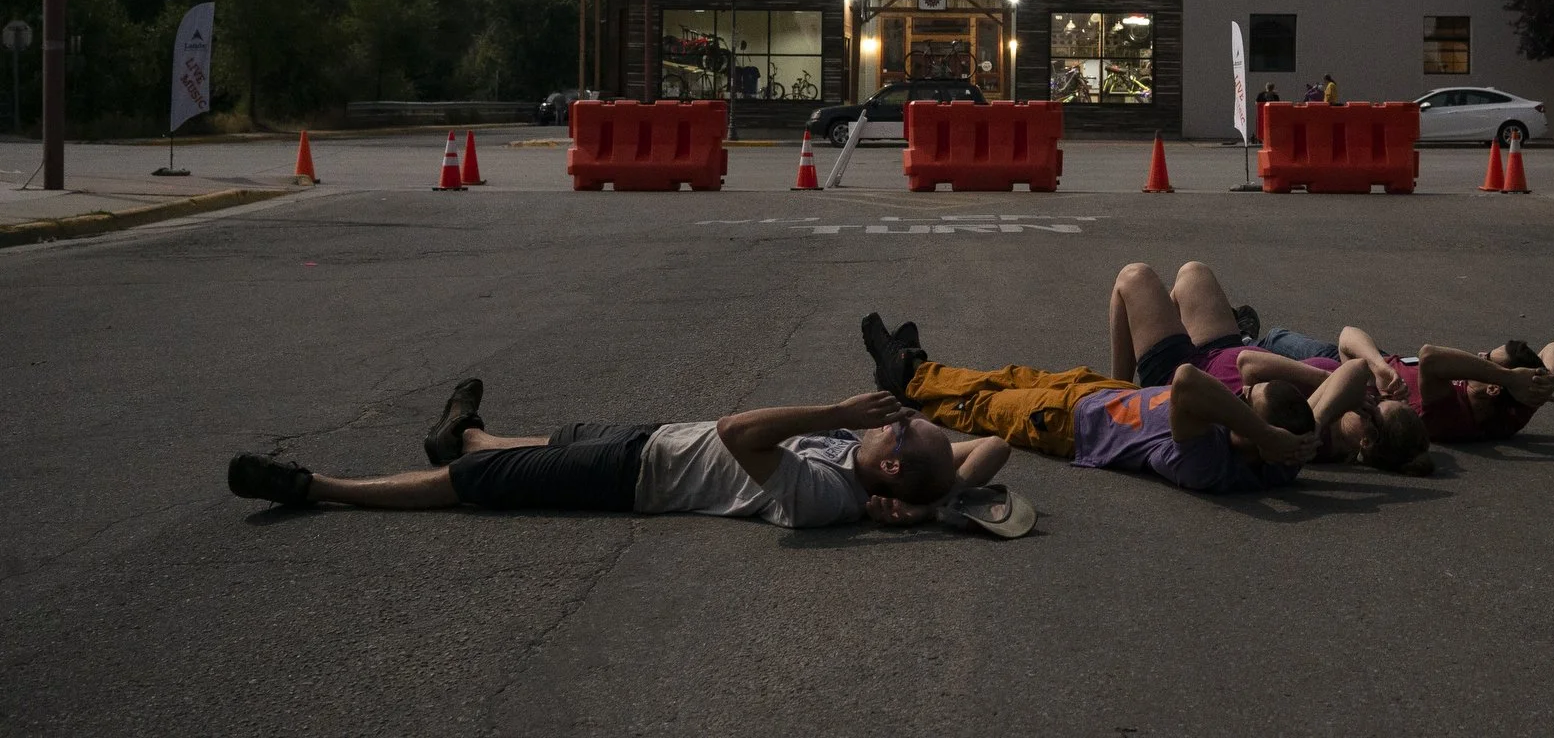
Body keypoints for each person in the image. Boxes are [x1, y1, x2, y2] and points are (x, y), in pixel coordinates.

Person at [226, 377, 1009, 529]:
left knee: (470, 486)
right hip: (656, 439)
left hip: (633, 478)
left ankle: (319, 486)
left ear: (894, 465)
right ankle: (466, 429)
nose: (889, 421)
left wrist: (838, 410)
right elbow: (995, 445)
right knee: (527, 440)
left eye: (899, 430)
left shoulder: (827, 498)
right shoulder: (876, 474)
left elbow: (739, 431)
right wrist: (933, 508)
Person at [861, 311, 1322, 494]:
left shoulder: (1210, 462)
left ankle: (909, 374)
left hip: (1070, 426)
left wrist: (1264, 433)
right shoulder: (1282, 456)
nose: (1238, 394)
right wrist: (1299, 434)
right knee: (1005, 377)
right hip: (1107, 394)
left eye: (1248, 403)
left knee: (980, 407)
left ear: (1257, 438)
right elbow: (1254, 370)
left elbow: (1185, 381)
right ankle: (916, 372)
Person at [1106, 262, 1430, 474]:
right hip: (1223, 349)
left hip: (1183, 371)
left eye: (1373, 412)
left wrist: (1324, 384)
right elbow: (1353, 353)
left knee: (1133, 277)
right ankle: (1166, 325)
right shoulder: (1352, 399)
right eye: (1382, 401)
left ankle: (1116, 397)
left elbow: (1249, 367)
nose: (1370, 401)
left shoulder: (1307, 432)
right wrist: (1377, 368)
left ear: (1366, 443)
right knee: (1194, 273)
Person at [1245, 318, 1554, 445]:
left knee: (1273, 343)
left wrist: (1378, 368)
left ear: (1494, 386)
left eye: (1485, 360)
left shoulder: (1451, 410)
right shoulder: (1517, 404)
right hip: (1378, 359)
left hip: (1349, 375)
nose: (1479, 355)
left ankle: (1245, 335)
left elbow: (1429, 356)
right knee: (1281, 343)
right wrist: (1548, 377)